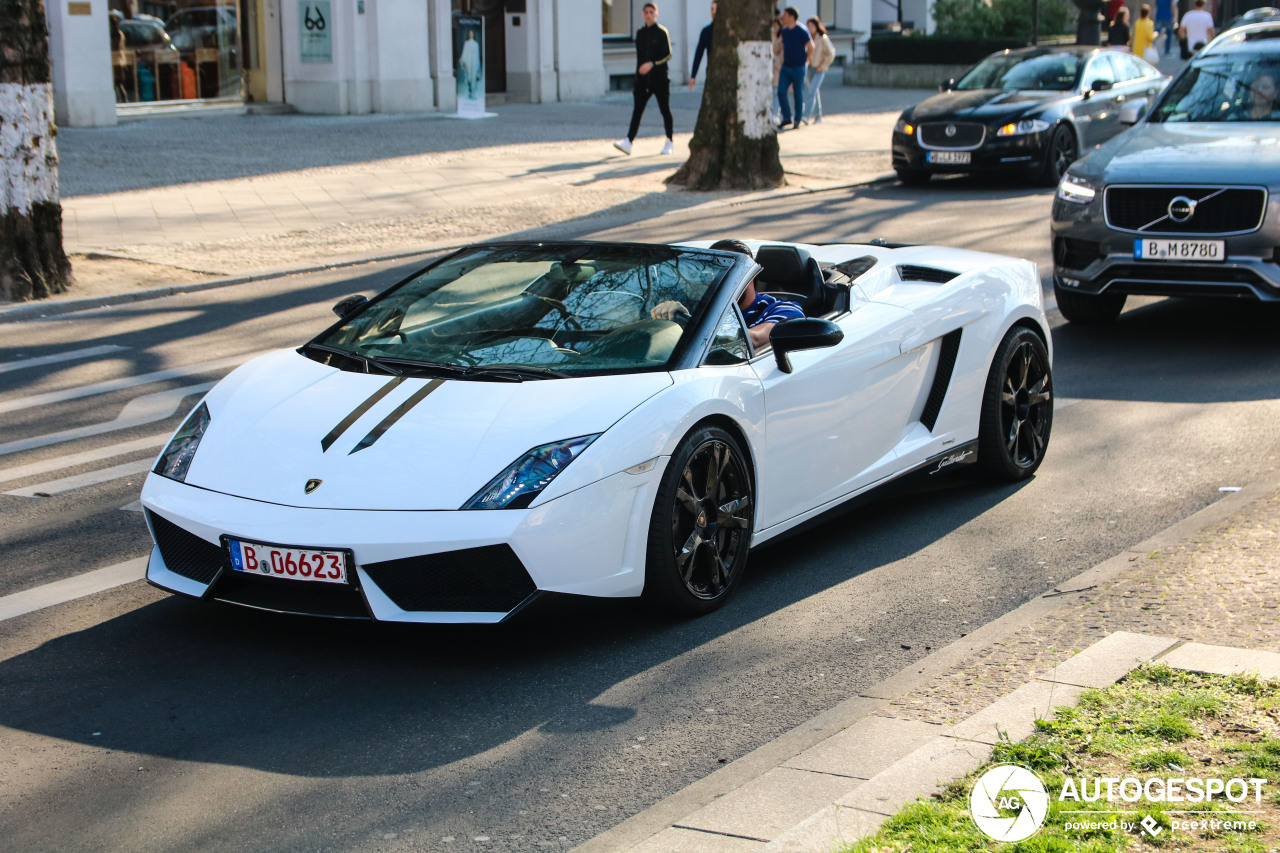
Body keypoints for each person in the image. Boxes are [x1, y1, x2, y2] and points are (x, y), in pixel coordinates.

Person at [650, 240, 804, 349]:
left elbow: (755, 339)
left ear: (748, 276)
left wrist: (692, 325)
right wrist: (667, 317)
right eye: (709, 273)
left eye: (725, 272)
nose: (714, 279)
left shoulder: (784, 310)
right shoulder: (697, 311)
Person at [614, 2, 675, 156]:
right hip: (643, 81)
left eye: (651, 12)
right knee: (637, 110)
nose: (649, 15)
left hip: (660, 79)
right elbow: (639, 58)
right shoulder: (640, 34)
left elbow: (668, 54)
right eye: (646, 12)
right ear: (643, 15)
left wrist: (652, 64)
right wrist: (638, 77)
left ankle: (669, 140)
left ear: (656, 14)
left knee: (664, 109)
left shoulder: (662, 32)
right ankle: (628, 141)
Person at [776, 6, 811, 129]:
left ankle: (797, 119)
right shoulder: (784, 30)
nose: (783, 17)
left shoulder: (802, 30)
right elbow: (778, 44)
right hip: (786, 66)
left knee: (798, 94)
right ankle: (786, 117)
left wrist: (807, 59)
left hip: (798, 67)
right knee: (781, 91)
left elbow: (811, 46)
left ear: (791, 16)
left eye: (785, 15)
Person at [803, 17, 835, 124]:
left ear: (816, 27)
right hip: (809, 68)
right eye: (808, 26)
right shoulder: (806, 38)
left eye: (812, 26)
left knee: (811, 91)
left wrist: (823, 66)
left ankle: (807, 115)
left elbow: (831, 53)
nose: (810, 28)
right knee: (814, 91)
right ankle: (818, 115)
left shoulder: (822, 38)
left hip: (819, 68)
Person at [689, 1, 715, 91]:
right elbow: (699, 54)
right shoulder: (706, 31)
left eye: (716, 9)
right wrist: (693, 75)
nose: (714, 12)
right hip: (711, 71)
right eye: (712, 9)